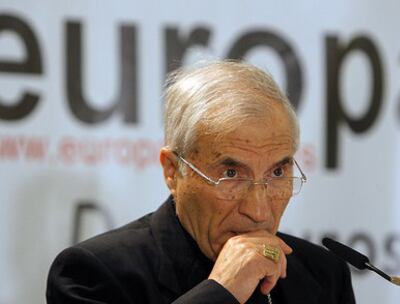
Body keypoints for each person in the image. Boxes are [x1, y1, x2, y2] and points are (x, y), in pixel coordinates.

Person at [46, 61, 355, 304]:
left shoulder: (322, 274)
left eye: (277, 173)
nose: (259, 211)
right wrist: (222, 290)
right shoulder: (94, 275)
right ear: (173, 171)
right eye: (231, 175)